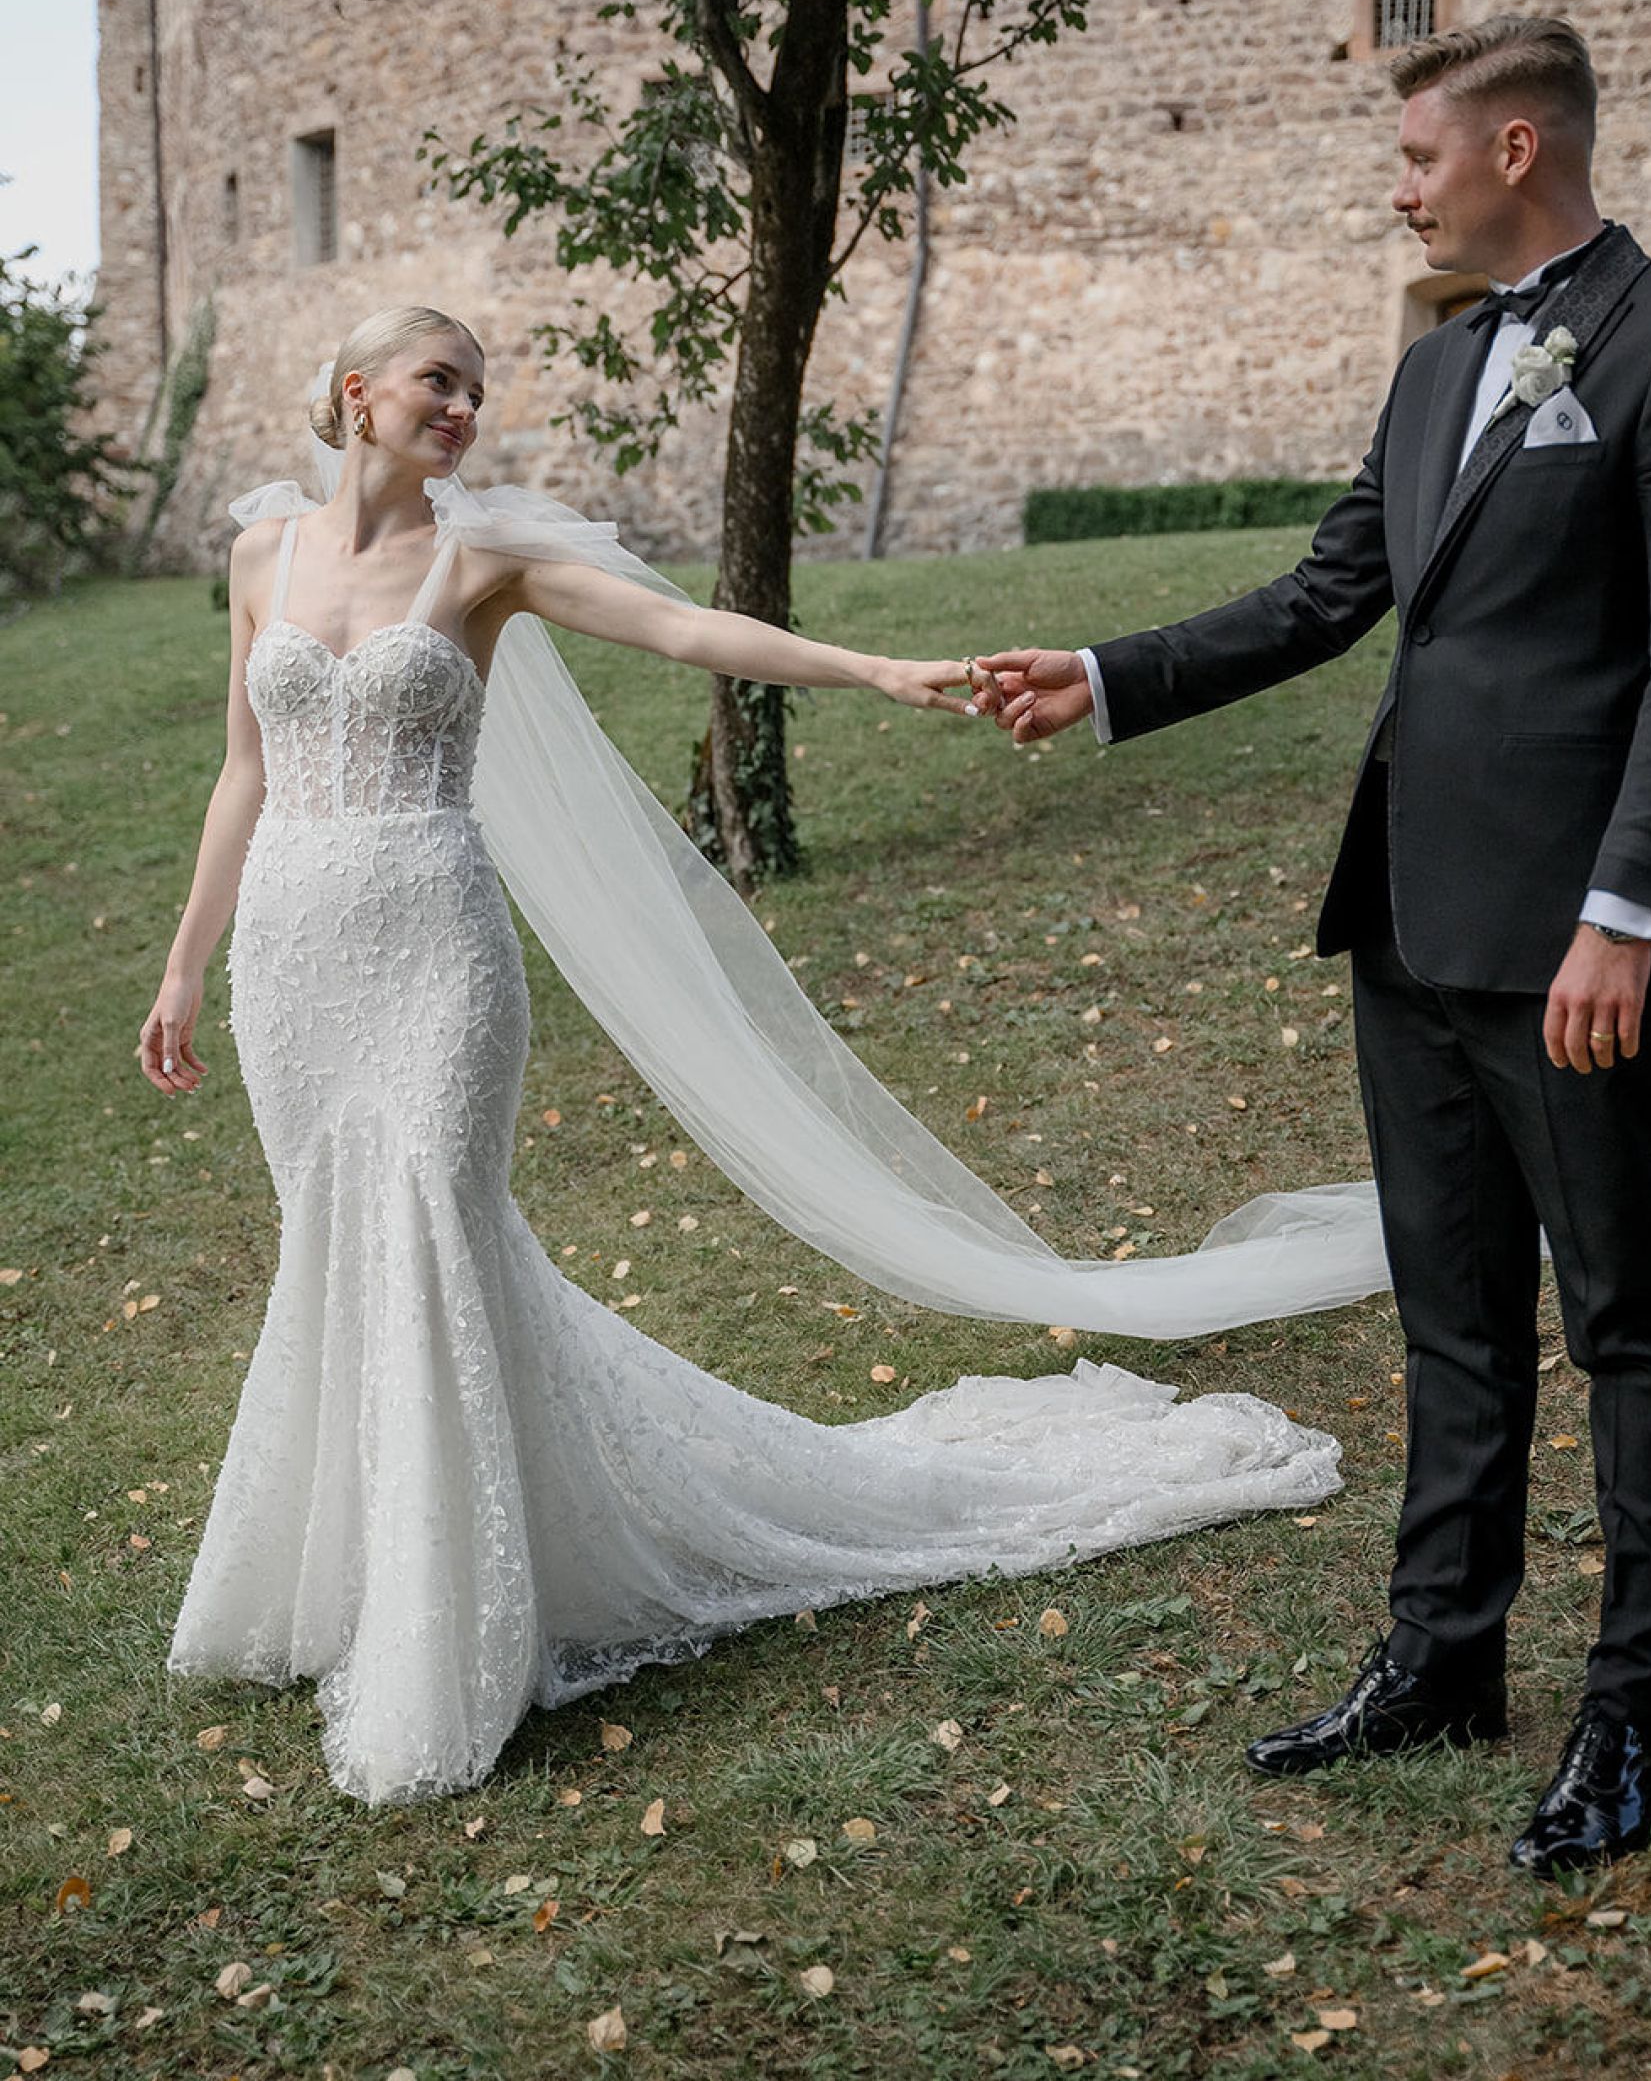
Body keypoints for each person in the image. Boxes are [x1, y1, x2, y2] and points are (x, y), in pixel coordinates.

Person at [140, 304, 1363, 1807]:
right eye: (438, 381)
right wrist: (189, 964)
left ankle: (449, 1622)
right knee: (336, 1248)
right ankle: (343, 1579)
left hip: (433, 946)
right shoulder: (263, 558)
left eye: (477, 389)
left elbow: (684, 629)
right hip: (291, 957)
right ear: (356, 393)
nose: (463, 406)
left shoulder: (484, 566)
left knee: (441, 1239)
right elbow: (243, 769)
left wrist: (875, 670)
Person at [978, 15, 1651, 1875]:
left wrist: (1625, 919)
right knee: (1450, 1312)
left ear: (1513, 148)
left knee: (1628, 1321)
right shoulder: (1435, 373)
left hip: (1573, 936)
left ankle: (1635, 1710)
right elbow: (1335, 591)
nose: (1395, 185)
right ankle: (1443, 1659)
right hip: (1407, 919)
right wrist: (1102, 679)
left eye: (1417, 156)